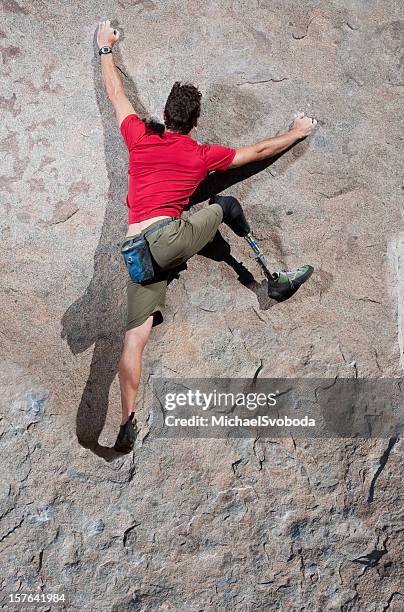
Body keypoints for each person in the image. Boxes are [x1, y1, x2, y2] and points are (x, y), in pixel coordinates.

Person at [96, 20, 317, 453]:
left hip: (138, 253)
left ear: (164, 113)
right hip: (167, 238)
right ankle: (270, 279)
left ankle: (125, 423)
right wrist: (296, 130)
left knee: (134, 339)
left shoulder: (139, 137)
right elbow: (255, 153)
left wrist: (105, 48)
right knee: (227, 207)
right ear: (195, 122)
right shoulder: (199, 155)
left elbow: (116, 95)